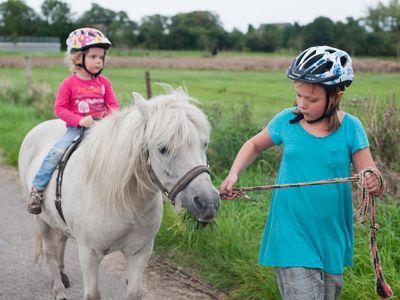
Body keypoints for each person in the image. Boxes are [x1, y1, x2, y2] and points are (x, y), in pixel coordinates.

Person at [219, 46, 385, 300]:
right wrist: (233, 174)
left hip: (331, 235)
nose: (303, 104)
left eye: (312, 99)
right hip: (291, 233)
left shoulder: (351, 127)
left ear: (336, 95)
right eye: (299, 95)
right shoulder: (287, 121)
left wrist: (373, 182)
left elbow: (369, 172)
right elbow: (253, 145)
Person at [28, 27, 119, 214]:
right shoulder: (69, 84)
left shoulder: (105, 83)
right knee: (55, 153)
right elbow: (59, 109)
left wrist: (108, 120)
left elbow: (113, 106)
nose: (99, 61)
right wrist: (79, 120)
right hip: (76, 130)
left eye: (101, 57)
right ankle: (37, 190)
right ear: (78, 58)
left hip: (102, 129)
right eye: (93, 56)